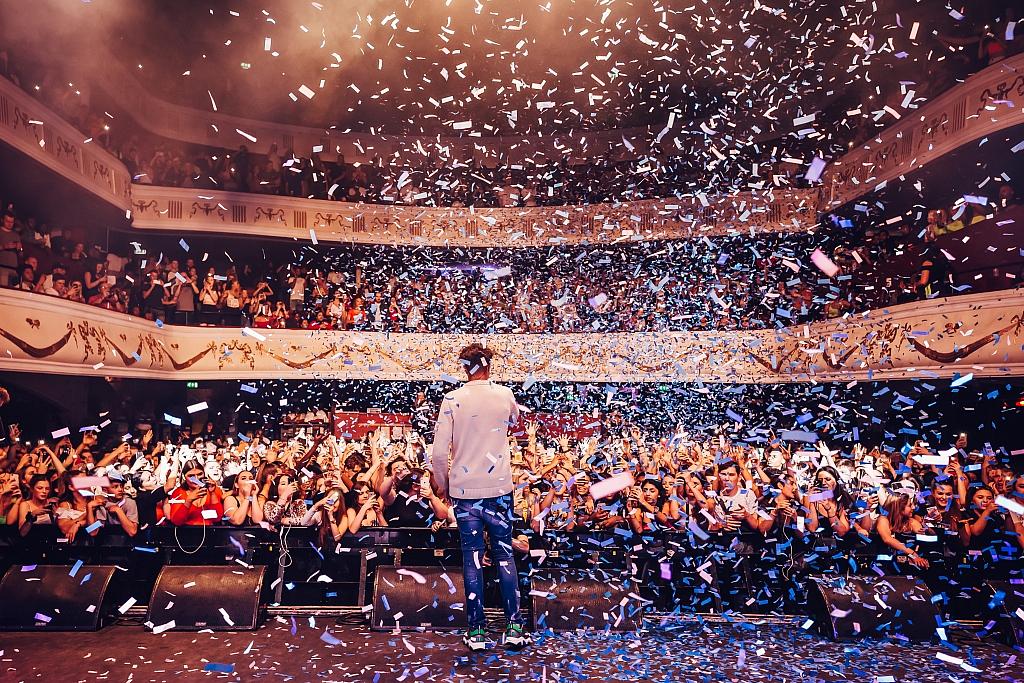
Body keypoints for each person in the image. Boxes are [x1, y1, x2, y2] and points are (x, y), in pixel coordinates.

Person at [430, 342, 528, 652]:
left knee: (472, 560)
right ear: (489, 365)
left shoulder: (452, 399)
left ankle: (476, 632)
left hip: (464, 492)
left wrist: (443, 486)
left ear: (465, 367)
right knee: (504, 556)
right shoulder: (505, 395)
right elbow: (521, 432)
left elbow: (437, 454)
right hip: (499, 490)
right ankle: (513, 628)